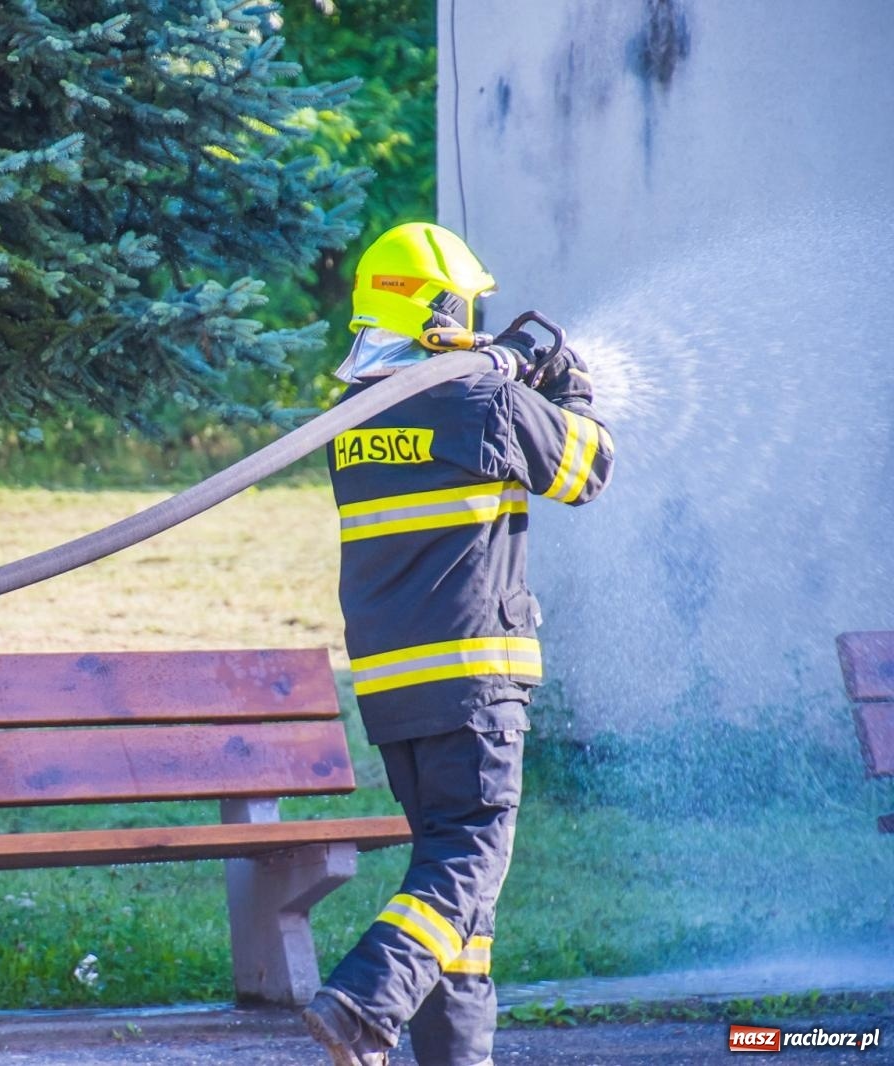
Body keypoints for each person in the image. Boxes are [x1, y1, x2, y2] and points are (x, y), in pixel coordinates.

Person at [302, 222, 615, 1066]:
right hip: (473, 682)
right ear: (442, 310)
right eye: (469, 305)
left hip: (393, 694)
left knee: (460, 912)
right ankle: (366, 1002)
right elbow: (587, 470)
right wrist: (570, 395)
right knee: (469, 860)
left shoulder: (350, 421)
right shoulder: (488, 403)